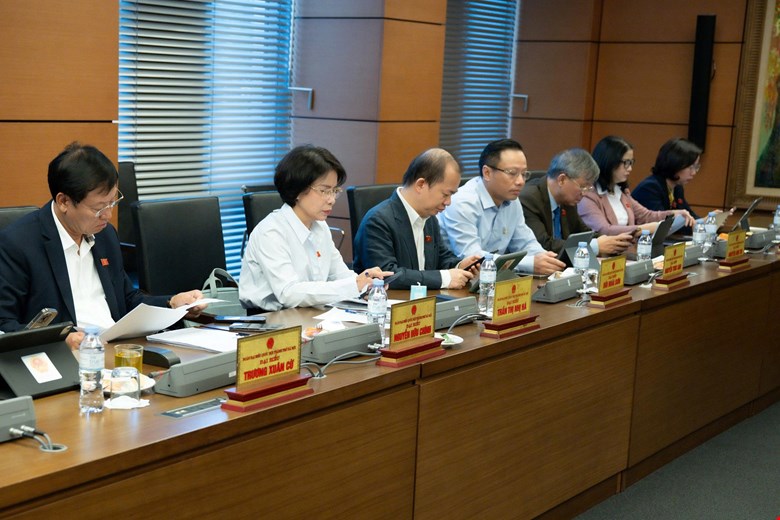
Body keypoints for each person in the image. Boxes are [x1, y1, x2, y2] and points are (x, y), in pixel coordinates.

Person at [0, 142, 205, 348]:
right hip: (69, 356)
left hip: (116, 347)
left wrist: (172, 303)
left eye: (112, 203)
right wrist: (60, 339)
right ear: (63, 201)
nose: (108, 215)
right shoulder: (18, 244)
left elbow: (126, 299)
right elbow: (4, 324)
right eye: (99, 208)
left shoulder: (105, 234)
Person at [240, 145, 390, 311]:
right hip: (271, 319)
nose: (332, 200)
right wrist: (354, 285)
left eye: (334, 191)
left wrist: (365, 285)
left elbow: (339, 274)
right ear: (297, 190)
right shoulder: (271, 232)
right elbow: (288, 293)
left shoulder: (320, 227)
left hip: (310, 313)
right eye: (324, 191)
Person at [352, 148, 482, 289]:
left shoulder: (430, 217)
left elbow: (441, 258)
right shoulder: (378, 221)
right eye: (445, 194)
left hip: (424, 299)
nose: (448, 202)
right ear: (421, 185)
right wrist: (444, 278)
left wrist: (460, 265)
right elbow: (386, 276)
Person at [437, 139, 565, 275]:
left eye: (524, 174)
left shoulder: (512, 200)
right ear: (487, 173)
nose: (520, 182)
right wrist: (530, 263)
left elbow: (526, 243)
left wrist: (546, 260)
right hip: (456, 279)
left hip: (493, 279)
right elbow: (473, 258)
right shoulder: (462, 202)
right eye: (512, 173)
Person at [520, 148, 633, 256]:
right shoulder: (529, 200)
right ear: (562, 180)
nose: (584, 193)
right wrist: (595, 246)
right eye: (583, 186)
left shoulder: (568, 200)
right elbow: (543, 245)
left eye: (589, 188)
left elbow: (584, 233)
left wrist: (612, 242)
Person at [578, 135, 695, 236]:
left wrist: (673, 214)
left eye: (631, 162)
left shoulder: (621, 192)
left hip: (628, 251)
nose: (630, 168)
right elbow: (604, 230)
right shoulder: (588, 195)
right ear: (609, 161)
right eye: (626, 163)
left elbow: (646, 216)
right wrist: (644, 229)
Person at [631, 137, 711, 234]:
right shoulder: (650, 188)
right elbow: (664, 224)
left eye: (696, 167)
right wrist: (700, 224)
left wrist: (705, 221)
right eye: (691, 167)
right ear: (675, 163)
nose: (693, 173)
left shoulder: (677, 187)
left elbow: (688, 214)